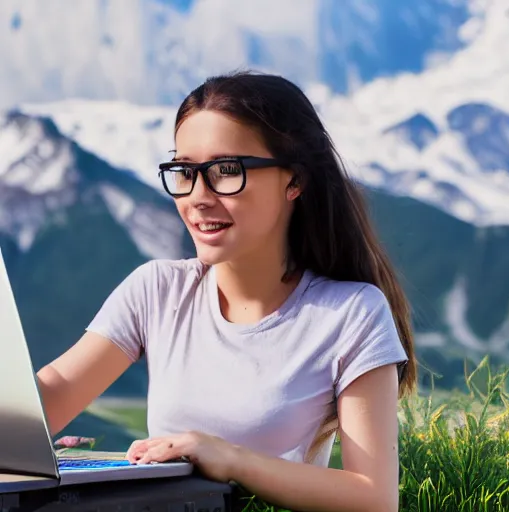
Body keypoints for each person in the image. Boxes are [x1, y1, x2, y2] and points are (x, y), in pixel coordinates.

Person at [37, 70, 416, 512]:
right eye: (184, 172)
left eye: (226, 171)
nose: (197, 196)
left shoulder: (351, 312)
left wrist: (229, 458)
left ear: (294, 181)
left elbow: (374, 498)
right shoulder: (157, 289)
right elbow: (57, 389)